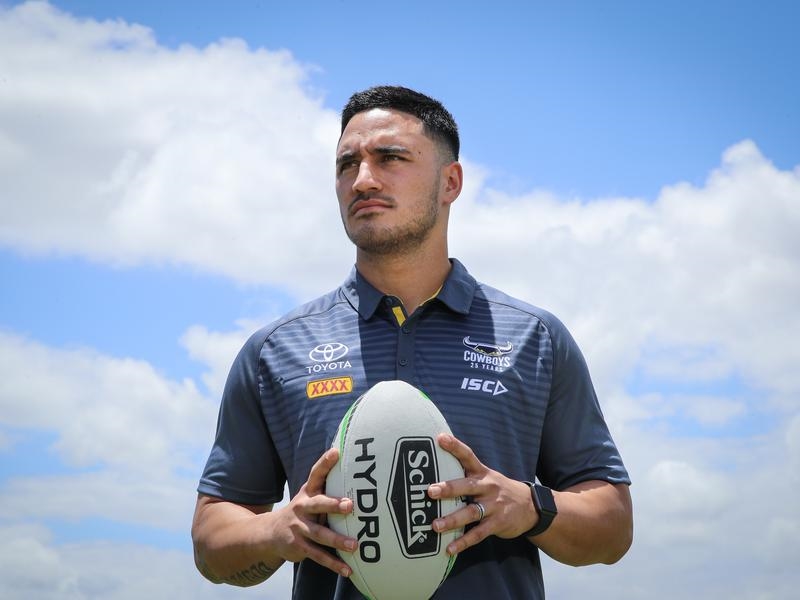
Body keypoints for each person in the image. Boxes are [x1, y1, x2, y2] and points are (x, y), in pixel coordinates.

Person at [191, 85, 633, 599]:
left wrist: (530, 506)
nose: (363, 180)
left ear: (451, 182)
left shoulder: (535, 339)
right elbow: (210, 540)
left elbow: (613, 526)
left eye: (391, 158)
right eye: (347, 164)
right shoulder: (275, 350)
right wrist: (275, 529)